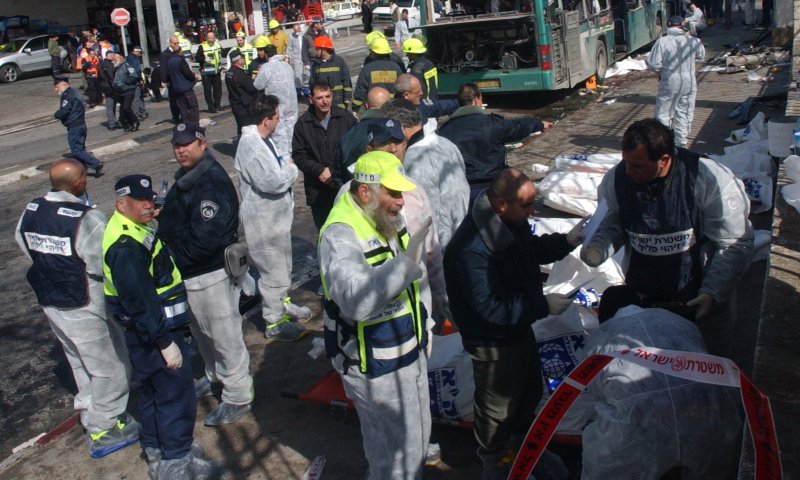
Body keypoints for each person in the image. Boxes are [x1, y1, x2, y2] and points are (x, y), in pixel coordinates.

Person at [443, 168, 582, 479]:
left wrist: (567, 241)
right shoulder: (472, 250)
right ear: (502, 204)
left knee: (529, 393)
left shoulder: (509, 223)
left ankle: (525, 451)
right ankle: (496, 465)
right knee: (496, 411)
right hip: (492, 343)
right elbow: (491, 308)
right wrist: (542, 305)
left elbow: (528, 252)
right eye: (527, 205)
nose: (533, 211)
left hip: (518, 328)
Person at [580, 119, 754, 356]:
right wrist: (599, 247)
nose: (630, 172)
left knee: (705, 358)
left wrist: (712, 293)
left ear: (663, 159)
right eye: (626, 163)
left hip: (697, 295)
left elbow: (733, 243)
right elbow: (614, 221)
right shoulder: (617, 179)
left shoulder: (707, 178)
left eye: (639, 166)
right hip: (646, 291)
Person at [319, 151, 434, 479]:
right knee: (394, 458)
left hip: (406, 352)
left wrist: (424, 326)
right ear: (366, 191)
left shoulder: (387, 217)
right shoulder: (340, 234)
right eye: (393, 192)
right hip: (375, 367)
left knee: (417, 444)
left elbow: (415, 284)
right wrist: (405, 267)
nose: (401, 201)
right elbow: (356, 299)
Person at [102, 174, 226, 478]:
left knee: (153, 395)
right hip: (156, 333)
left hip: (147, 334)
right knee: (174, 396)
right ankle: (177, 462)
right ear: (121, 204)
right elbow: (140, 301)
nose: (149, 204)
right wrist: (164, 343)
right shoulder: (126, 246)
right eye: (141, 201)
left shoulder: (129, 227)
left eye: (151, 198)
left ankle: (159, 450)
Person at [16, 158, 138, 458]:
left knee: (79, 361)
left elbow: (24, 243)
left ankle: (88, 408)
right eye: (84, 175)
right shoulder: (85, 218)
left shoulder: (31, 210)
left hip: (51, 302)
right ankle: (105, 426)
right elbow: (103, 262)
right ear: (79, 182)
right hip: (84, 304)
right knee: (111, 367)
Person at [575, 287, 744, 479]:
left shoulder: (601, 336)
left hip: (635, 419)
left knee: (607, 463)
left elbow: (596, 393)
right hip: (706, 407)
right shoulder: (675, 320)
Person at [157, 123, 255, 426]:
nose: (181, 149)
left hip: (209, 274)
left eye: (187, 143)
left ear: (203, 144)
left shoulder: (209, 182)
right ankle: (216, 377)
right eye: (177, 144)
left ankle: (238, 395)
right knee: (203, 335)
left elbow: (205, 240)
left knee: (224, 337)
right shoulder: (189, 177)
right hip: (192, 275)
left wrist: (169, 257)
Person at [235, 94, 313, 342]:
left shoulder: (264, 140)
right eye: (277, 118)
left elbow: (282, 164)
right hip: (264, 223)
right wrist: (291, 170)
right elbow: (274, 180)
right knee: (273, 273)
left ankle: (282, 303)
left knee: (282, 267)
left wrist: (286, 168)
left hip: (276, 221)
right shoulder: (251, 146)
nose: (279, 122)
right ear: (265, 119)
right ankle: (274, 321)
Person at [438, 83, 551, 196]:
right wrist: (539, 123)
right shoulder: (493, 124)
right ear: (477, 101)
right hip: (492, 186)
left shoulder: (444, 131)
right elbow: (519, 127)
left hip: (460, 190)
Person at [384, 100, 469, 247]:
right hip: (461, 235)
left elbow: (425, 217)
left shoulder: (415, 161)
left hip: (440, 246)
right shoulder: (445, 143)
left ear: (401, 128)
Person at [293, 80, 358, 229]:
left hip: (343, 188)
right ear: (311, 99)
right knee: (325, 234)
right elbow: (299, 154)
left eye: (327, 96)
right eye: (320, 98)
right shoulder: (303, 124)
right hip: (318, 191)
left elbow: (355, 149)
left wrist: (335, 171)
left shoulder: (346, 119)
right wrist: (319, 170)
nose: (325, 101)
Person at [646, 16, 705, 148]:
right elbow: (701, 56)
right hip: (689, 81)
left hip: (669, 80)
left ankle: (664, 142)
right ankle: (681, 142)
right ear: (682, 26)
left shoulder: (662, 42)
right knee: (684, 111)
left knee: (664, 113)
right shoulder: (693, 41)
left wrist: (661, 72)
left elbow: (653, 64)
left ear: (669, 25)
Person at [332, 86, 391, 186]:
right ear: (389, 107)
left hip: (355, 193)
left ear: (366, 106)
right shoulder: (396, 131)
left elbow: (338, 173)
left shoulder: (349, 134)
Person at [53, 76, 104, 177]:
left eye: (57, 86)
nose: (55, 89)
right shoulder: (75, 92)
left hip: (74, 125)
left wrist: (56, 115)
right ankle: (82, 170)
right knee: (80, 148)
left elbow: (65, 110)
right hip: (80, 124)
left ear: (63, 84)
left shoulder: (68, 95)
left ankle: (96, 164)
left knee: (76, 151)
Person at [254, 44, 299, 156]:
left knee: (279, 131)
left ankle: (283, 156)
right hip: (291, 102)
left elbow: (258, 85)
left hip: (277, 104)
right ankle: (294, 151)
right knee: (292, 128)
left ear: (266, 54)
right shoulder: (286, 65)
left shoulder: (266, 67)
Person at [352, 37, 403, 112]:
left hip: (374, 110)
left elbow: (360, 92)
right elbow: (402, 88)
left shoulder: (367, 69)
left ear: (373, 53)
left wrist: (355, 109)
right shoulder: (396, 67)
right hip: (394, 109)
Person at [310, 36, 353, 109]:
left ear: (324, 50)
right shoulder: (315, 64)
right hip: (323, 102)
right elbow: (312, 82)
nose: (315, 51)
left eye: (317, 49)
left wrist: (347, 97)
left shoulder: (338, 61)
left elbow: (346, 80)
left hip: (339, 101)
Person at [225, 52, 259, 137]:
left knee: (240, 126)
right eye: (242, 58)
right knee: (247, 128)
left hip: (235, 103)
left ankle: (240, 142)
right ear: (238, 60)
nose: (244, 60)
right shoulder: (240, 73)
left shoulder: (229, 72)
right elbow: (251, 88)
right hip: (244, 104)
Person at [167, 41, 200, 125]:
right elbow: (187, 73)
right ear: (180, 51)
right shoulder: (180, 61)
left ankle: (186, 123)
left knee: (183, 107)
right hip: (185, 87)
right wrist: (194, 78)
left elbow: (168, 75)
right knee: (193, 106)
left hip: (176, 88)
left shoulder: (170, 61)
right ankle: (194, 123)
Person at [196, 31, 223, 113]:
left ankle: (217, 105)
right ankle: (211, 108)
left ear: (214, 37)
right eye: (208, 38)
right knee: (208, 90)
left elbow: (223, 53)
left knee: (218, 89)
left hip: (216, 71)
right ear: (206, 38)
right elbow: (197, 58)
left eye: (212, 38)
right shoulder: (202, 46)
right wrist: (204, 59)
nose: (210, 39)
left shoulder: (218, 44)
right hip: (206, 73)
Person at [112, 52, 140, 132]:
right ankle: (130, 123)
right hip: (120, 91)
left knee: (126, 107)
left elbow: (134, 76)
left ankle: (135, 121)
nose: (113, 60)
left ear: (120, 58)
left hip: (128, 90)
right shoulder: (117, 67)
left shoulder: (127, 66)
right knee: (124, 109)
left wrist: (125, 82)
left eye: (115, 59)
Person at [159, 36, 182, 123]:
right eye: (175, 43)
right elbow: (163, 68)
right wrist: (164, 81)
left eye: (178, 43)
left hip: (179, 79)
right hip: (171, 80)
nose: (177, 45)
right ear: (170, 43)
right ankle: (175, 117)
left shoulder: (179, 52)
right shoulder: (165, 54)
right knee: (173, 99)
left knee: (181, 98)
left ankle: (183, 115)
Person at [98, 50, 120, 130]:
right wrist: (116, 85)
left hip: (105, 87)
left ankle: (113, 122)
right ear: (110, 55)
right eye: (113, 55)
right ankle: (112, 123)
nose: (114, 57)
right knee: (111, 106)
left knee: (110, 106)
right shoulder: (109, 64)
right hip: (110, 88)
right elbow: (111, 77)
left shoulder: (101, 64)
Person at [286, 22, 309, 97]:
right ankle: (298, 91)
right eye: (295, 31)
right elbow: (289, 48)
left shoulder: (304, 34)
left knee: (307, 73)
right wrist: (288, 57)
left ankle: (306, 89)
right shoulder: (291, 36)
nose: (297, 32)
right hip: (296, 58)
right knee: (297, 74)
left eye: (297, 30)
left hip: (305, 56)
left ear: (300, 28)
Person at [128, 46, 149, 121]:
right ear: (136, 51)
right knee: (136, 98)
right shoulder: (134, 59)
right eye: (139, 53)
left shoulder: (130, 58)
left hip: (133, 80)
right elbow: (136, 71)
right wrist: (140, 79)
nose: (140, 54)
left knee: (139, 96)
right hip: (134, 81)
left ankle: (142, 111)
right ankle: (136, 114)